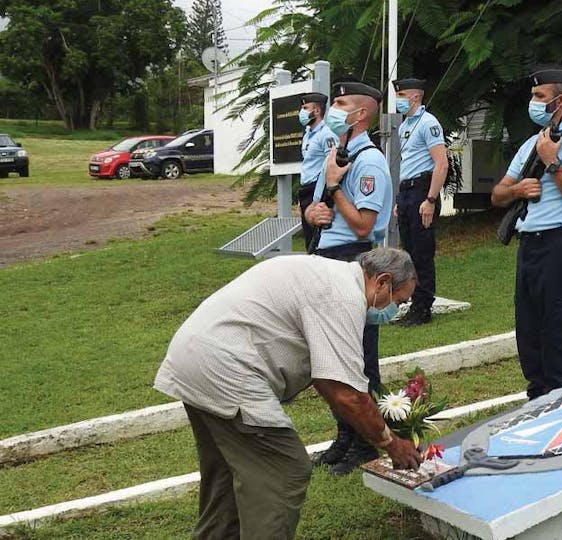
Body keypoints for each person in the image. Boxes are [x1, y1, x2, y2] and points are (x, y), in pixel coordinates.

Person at [153, 249, 422, 540]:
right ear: (382, 282)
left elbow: (326, 379)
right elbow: (346, 394)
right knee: (284, 470)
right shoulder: (343, 296)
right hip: (226, 368)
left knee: (226, 475)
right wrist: (391, 442)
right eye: (399, 300)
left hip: (194, 356)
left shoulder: (329, 275)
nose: (396, 309)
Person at [304, 80, 395, 475]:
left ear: (359, 114)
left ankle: (367, 442)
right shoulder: (337, 154)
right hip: (327, 256)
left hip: (355, 260)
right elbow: (320, 207)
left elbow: (363, 225)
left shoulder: (369, 161)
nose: (332, 109)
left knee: (358, 358)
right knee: (332, 359)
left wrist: (337, 188)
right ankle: (344, 435)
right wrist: (312, 213)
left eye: (340, 103)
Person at [490, 65, 562, 400]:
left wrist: (553, 164)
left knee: (557, 335)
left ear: (560, 102)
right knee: (530, 335)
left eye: (540, 97)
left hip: (559, 247)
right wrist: (518, 190)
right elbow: (497, 194)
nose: (533, 103)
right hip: (530, 247)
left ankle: (561, 408)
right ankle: (536, 402)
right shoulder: (530, 144)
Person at [392, 78, 449, 326]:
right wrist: (400, 199)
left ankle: (423, 306)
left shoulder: (429, 123)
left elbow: (441, 163)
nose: (399, 99)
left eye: (402, 94)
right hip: (407, 192)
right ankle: (413, 302)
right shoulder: (406, 125)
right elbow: (407, 163)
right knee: (410, 252)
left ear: (415, 97)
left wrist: (431, 199)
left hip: (422, 191)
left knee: (422, 254)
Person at [296, 92, 337, 252]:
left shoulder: (326, 133)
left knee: (317, 241)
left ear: (317, 111)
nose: (302, 112)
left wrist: (320, 196)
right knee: (309, 239)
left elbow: (331, 163)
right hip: (306, 191)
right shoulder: (308, 134)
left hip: (317, 190)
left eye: (306, 108)